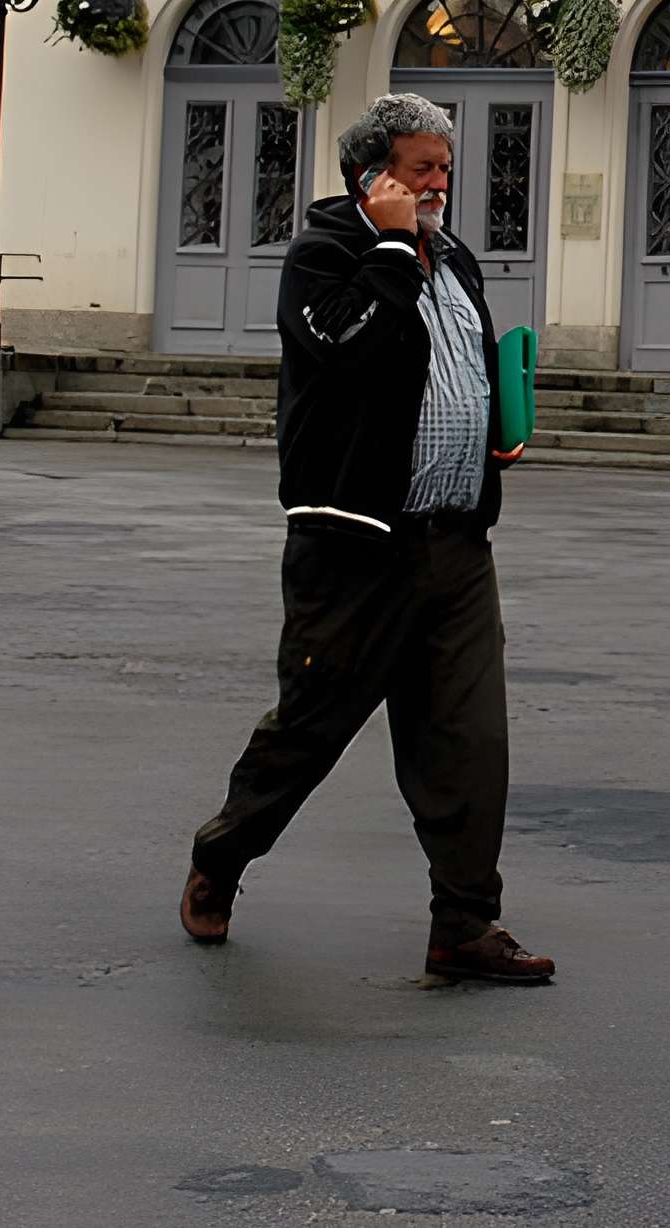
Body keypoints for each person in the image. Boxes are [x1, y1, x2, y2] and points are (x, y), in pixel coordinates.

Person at [181, 93, 554, 986]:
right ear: (371, 174)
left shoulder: (455, 256)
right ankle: (221, 859)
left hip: (457, 542)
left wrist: (494, 422)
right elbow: (350, 344)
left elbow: (455, 360)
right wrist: (390, 246)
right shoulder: (325, 254)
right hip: (357, 548)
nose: (440, 183)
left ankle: (464, 924)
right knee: (310, 730)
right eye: (422, 167)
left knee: (469, 740)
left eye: (444, 167)